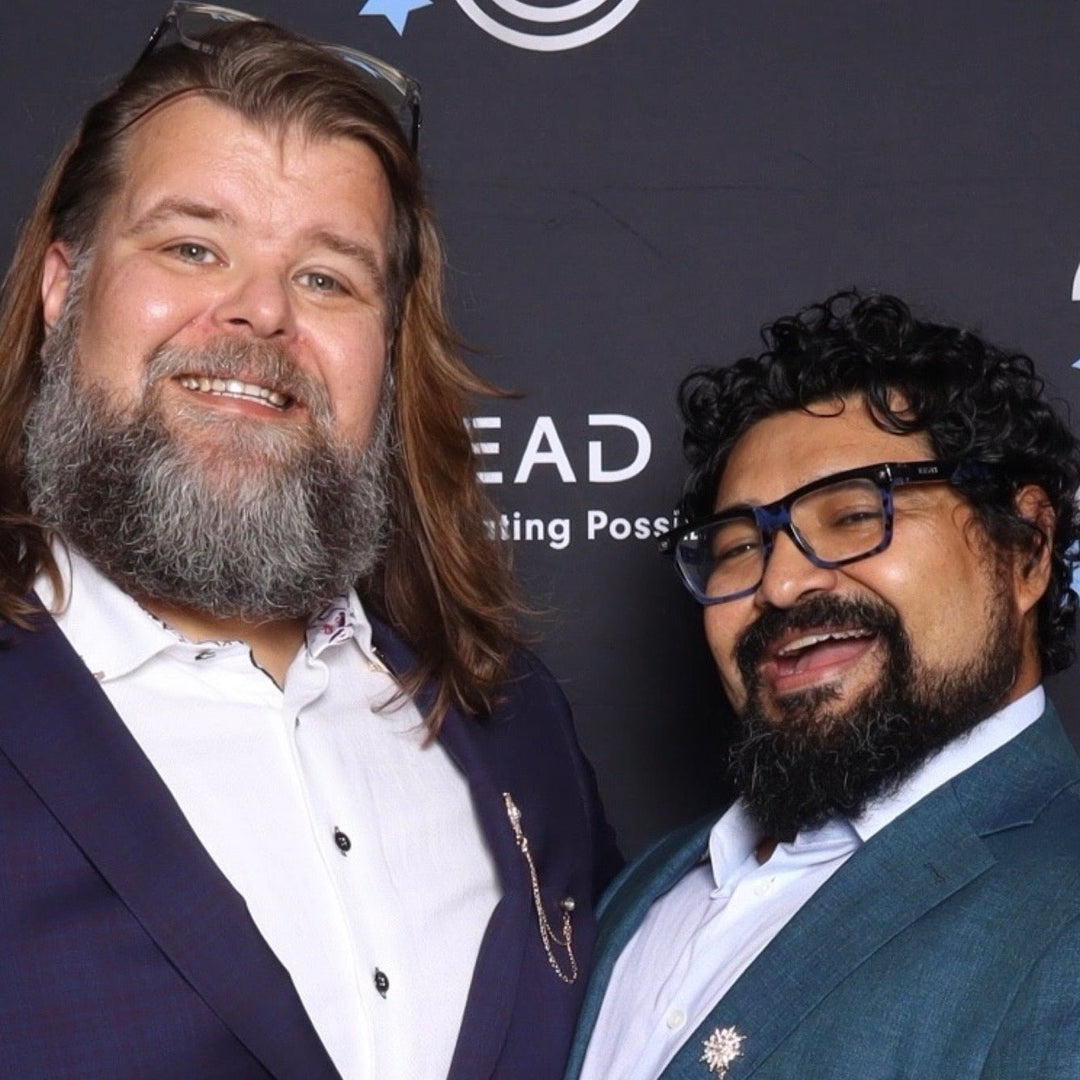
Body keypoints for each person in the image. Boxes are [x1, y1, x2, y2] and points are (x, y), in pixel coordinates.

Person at [0, 6, 620, 1079]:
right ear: (66, 287)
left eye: (327, 277)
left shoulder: (515, 722)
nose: (260, 314)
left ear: (388, 347)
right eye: (193, 248)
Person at [565, 290, 1080, 1079]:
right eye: (740, 546)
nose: (781, 584)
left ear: (1028, 549)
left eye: (854, 515)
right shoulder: (646, 890)